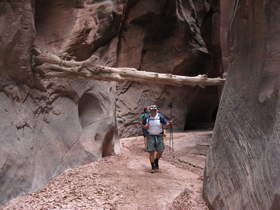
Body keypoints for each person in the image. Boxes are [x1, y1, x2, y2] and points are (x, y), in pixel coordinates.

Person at [143, 105, 173, 173]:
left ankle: (156, 160)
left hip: (159, 136)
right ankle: (153, 167)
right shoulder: (147, 117)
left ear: (156, 110)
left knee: (160, 151)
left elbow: (166, 124)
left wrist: (170, 124)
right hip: (150, 136)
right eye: (151, 110)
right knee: (151, 152)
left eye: (154, 110)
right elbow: (143, 125)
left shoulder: (160, 117)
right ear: (149, 111)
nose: (152, 111)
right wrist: (145, 127)